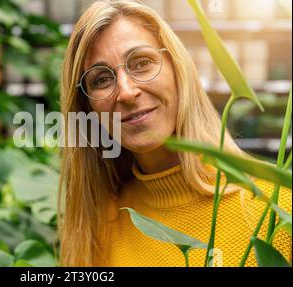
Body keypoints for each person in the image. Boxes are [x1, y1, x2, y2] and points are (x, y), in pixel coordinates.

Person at [57, 0, 291, 267]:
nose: (126, 92)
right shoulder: (98, 223)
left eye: (142, 63)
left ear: (178, 68)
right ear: (87, 108)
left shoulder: (277, 208)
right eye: (101, 79)